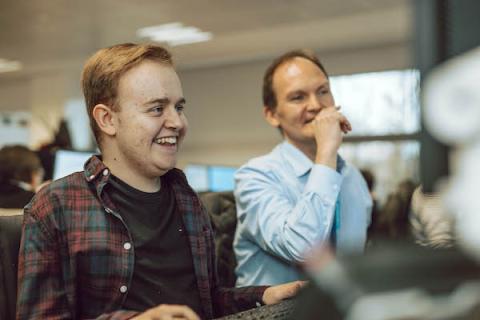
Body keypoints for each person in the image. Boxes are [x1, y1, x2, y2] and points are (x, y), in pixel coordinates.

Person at [16, 43, 302, 320]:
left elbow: (207, 304)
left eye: (178, 107)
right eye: (157, 109)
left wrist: (263, 296)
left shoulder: (188, 202)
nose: (177, 122)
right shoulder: (56, 208)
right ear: (107, 120)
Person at [233, 49, 372, 286]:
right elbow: (303, 249)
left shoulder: (352, 177)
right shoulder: (254, 176)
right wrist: (326, 151)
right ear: (272, 115)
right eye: (298, 97)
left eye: (323, 91)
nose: (316, 105)